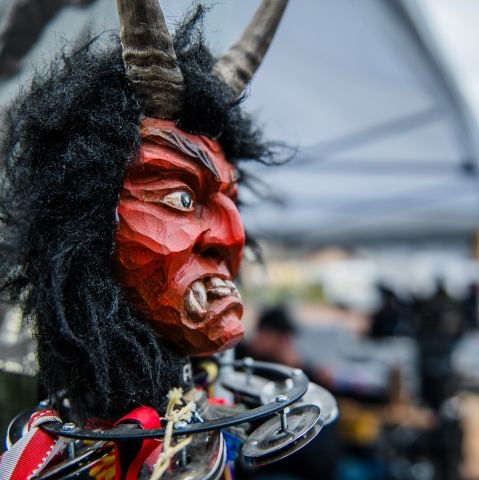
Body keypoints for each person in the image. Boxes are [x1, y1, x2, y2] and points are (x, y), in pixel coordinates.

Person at [0, 0, 289, 477]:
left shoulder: (228, 390)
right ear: (87, 223)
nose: (233, 236)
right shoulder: (19, 390)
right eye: (180, 198)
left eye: (229, 201)